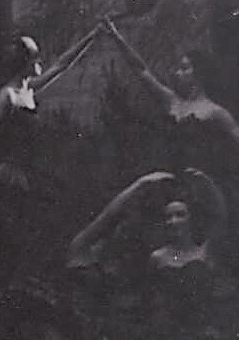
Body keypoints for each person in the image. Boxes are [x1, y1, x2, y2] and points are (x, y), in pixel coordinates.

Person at [0, 25, 104, 279]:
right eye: (35, 55)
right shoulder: (7, 94)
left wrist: (91, 35)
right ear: (24, 61)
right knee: (16, 232)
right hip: (12, 172)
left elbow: (62, 64)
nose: (39, 60)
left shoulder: (29, 88)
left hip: (31, 170)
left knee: (41, 226)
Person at [102, 16, 239, 271]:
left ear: (198, 75)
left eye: (184, 68)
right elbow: (141, 70)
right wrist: (115, 36)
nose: (178, 72)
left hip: (200, 189)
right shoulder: (172, 102)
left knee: (202, 255)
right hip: (169, 184)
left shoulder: (215, 112)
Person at [67, 169, 230, 340]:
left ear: (191, 219)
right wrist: (141, 183)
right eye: (169, 217)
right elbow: (107, 218)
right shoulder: (156, 257)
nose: (174, 221)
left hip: (196, 331)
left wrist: (208, 183)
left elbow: (221, 220)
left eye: (180, 215)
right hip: (146, 335)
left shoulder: (204, 252)